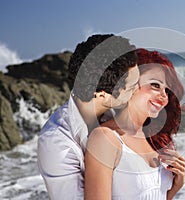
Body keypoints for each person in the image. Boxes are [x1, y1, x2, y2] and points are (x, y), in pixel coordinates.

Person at [37, 34, 140, 199]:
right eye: (132, 88)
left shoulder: (119, 109)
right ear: (102, 95)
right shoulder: (57, 142)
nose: (138, 91)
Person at [85, 48, 185, 200]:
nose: (164, 96)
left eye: (166, 90)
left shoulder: (155, 140)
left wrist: (174, 189)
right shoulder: (105, 138)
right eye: (155, 85)